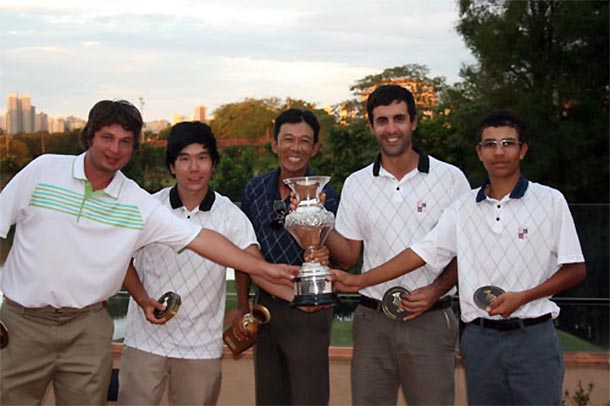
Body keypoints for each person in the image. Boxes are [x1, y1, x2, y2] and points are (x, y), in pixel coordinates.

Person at [0, 100, 297, 405]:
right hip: (24, 322)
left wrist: (267, 270)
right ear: (90, 136)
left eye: (125, 141)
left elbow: (201, 239)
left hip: (88, 327)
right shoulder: (44, 170)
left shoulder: (136, 202)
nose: (115, 149)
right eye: (107, 138)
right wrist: (142, 298)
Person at [331, 109, 587, 405]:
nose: (498, 152)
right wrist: (358, 281)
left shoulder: (550, 200)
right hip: (479, 340)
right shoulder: (463, 207)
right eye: (490, 144)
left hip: (533, 337)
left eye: (508, 143)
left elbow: (575, 270)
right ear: (479, 152)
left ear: (523, 150)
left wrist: (524, 296)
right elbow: (420, 253)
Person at [117, 121, 294, 405]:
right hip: (145, 339)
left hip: (200, 346)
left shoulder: (230, 215)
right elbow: (121, 260)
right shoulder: (149, 208)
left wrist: (298, 292)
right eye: (184, 159)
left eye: (202, 158)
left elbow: (252, 264)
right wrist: (141, 298)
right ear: (172, 166)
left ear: (213, 164)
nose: (194, 168)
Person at [323, 84, 471, 405]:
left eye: (399, 119)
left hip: (430, 318)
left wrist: (436, 289)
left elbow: (467, 251)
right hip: (372, 321)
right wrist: (314, 219)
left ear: (414, 122)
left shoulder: (452, 179)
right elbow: (348, 255)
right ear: (371, 127)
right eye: (382, 120)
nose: (391, 129)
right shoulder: (356, 183)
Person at [237, 108, 339, 405]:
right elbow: (244, 250)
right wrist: (244, 305)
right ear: (274, 143)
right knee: (269, 393)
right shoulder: (255, 189)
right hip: (265, 306)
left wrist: (324, 251)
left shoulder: (325, 195)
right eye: (288, 139)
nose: (295, 148)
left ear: (315, 148)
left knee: (309, 395)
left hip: (308, 307)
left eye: (304, 141)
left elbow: (340, 255)